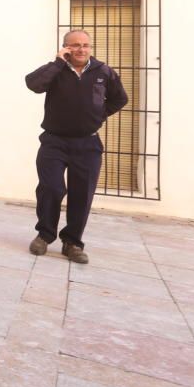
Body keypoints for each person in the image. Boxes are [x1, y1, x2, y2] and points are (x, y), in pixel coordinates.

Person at [25, 29, 128, 264]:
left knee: (82, 194)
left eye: (85, 45)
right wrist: (57, 62)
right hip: (54, 141)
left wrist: (98, 115)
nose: (81, 49)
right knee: (51, 188)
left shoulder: (103, 72)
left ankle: (72, 242)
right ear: (66, 48)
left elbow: (120, 99)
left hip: (88, 143)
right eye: (75, 45)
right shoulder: (56, 70)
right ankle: (45, 234)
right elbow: (33, 84)